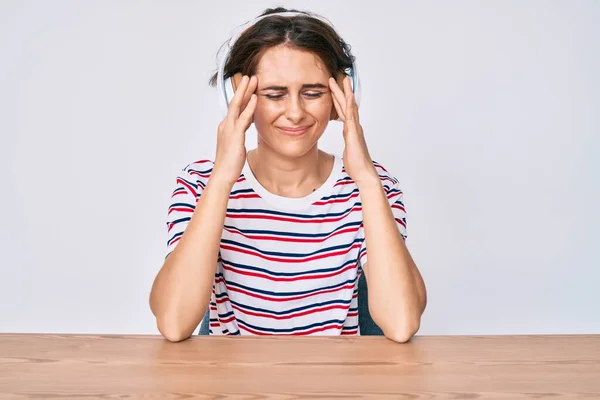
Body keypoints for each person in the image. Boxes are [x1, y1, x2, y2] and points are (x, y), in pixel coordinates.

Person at [149, 7, 427, 342]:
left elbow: (401, 324)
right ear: (237, 96)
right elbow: (173, 322)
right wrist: (222, 178)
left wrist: (367, 179)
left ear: (341, 96)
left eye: (312, 93)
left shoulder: (374, 186)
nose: (295, 113)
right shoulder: (199, 184)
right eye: (274, 94)